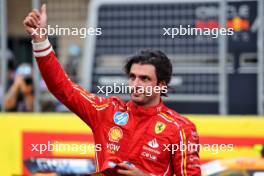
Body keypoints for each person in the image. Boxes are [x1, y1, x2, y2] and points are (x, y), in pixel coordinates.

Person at [23, 4, 201, 176]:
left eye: (145, 79)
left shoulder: (180, 129)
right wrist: (40, 41)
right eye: (132, 77)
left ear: (162, 85)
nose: (136, 84)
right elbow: (62, 87)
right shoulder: (106, 111)